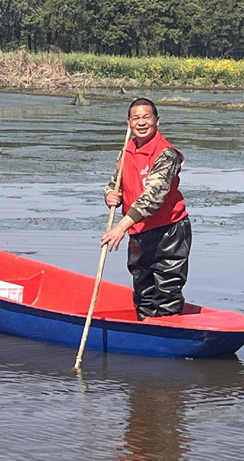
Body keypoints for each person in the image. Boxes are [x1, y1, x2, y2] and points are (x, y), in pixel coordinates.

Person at [101, 98, 192, 320]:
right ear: (129, 123)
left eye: (146, 117)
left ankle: (168, 333)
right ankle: (145, 328)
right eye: (136, 118)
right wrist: (110, 195)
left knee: (167, 292)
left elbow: (152, 198)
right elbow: (115, 183)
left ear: (156, 121)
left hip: (168, 231)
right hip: (139, 230)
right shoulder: (126, 150)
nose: (141, 123)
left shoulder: (166, 154)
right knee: (143, 292)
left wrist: (120, 227)